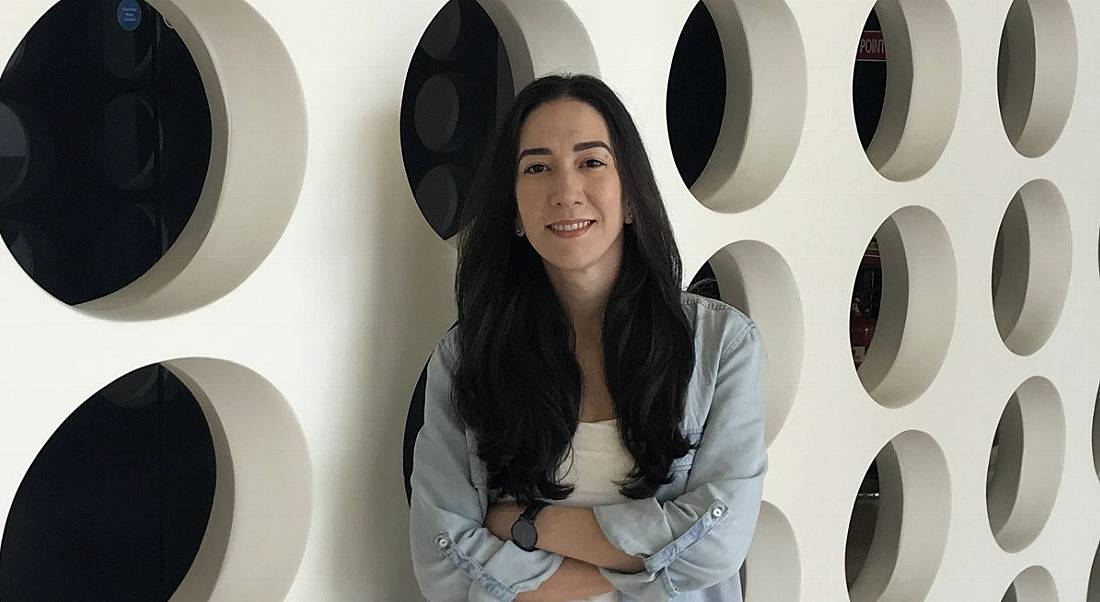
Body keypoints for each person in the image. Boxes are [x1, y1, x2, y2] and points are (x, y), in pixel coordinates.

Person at [408, 73, 767, 602]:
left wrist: (527, 524)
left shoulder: (721, 345)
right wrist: (643, 567)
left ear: (629, 197)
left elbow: (719, 541)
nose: (566, 191)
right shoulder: (467, 357)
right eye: (537, 167)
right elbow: (442, 562)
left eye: (591, 161)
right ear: (513, 208)